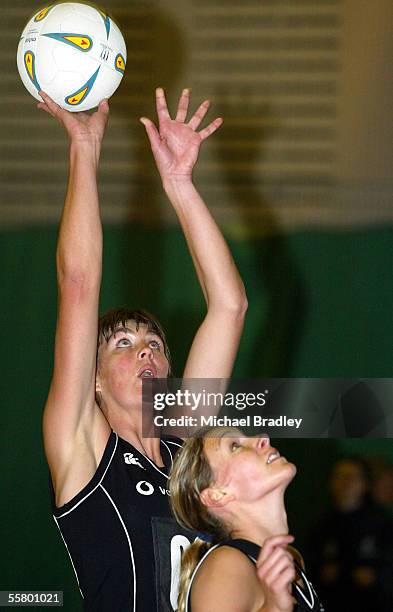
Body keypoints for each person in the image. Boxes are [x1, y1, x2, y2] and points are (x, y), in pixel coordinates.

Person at [39, 88, 247, 611]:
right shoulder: (84, 449)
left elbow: (230, 306)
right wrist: (84, 148)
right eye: (124, 344)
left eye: (154, 344)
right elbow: (80, 283)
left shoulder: (185, 445)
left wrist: (180, 185)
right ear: (94, 380)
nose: (146, 353)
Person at [169, 428, 325, 612]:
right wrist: (274, 608)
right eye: (235, 446)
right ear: (217, 495)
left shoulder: (289, 560)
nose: (263, 438)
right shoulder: (227, 565)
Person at [305, 457, 393, 611]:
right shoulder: (320, 526)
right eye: (339, 476)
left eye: (351, 477)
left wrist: (376, 576)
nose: (345, 483)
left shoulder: (382, 525)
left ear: (365, 484)